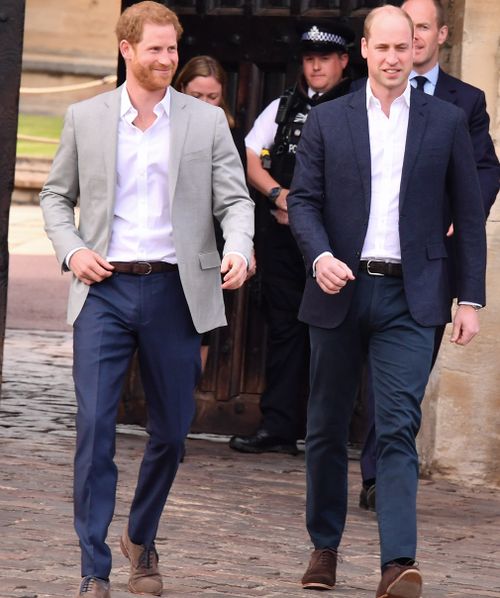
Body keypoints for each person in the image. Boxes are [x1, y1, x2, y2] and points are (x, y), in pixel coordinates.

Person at [40, 3, 254, 597]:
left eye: (172, 49)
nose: (166, 59)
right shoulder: (85, 117)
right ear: (126, 48)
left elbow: (235, 201)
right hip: (103, 289)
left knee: (173, 431)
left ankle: (142, 533)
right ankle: (94, 570)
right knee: (95, 427)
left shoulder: (204, 123)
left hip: (175, 290)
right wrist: (72, 250)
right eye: (155, 49)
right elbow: (56, 197)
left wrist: (239, 246)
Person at [287, 5, 486, 596]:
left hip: (412, 295)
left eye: (406, 47)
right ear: (365, 51)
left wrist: (470, 299)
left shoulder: (446, 121)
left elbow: (469, 217)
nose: (396, 58)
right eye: (385, 48)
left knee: (398, 425)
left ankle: (398, 562)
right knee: (324, 426)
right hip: (339, 290)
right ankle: (324, 547)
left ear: (422, 50)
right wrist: (320, 257)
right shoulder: (330, 118)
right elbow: (304, 201)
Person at [358, 0, 500, 514]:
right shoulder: (362, 97)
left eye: (419, 29)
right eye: (398, 33)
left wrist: (457, 215)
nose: (409, 40)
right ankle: (376, 474)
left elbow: (484, 170)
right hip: (366, 264)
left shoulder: (466, 101)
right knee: (371, 377)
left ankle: (388, 466)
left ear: (441, 34)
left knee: (403, 377)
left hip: (429, 262)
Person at [229, 20, 354, 456]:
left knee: (332, 336)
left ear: (343, 61)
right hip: (283, 241)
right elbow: (248, 154)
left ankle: (325, 435)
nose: (315, 66)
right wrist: (279, 195)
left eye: (324, 58)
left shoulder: (359, 105)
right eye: (308, 58)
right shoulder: (285, 105)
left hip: (334, 242)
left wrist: (308, 213)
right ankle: (279, 427)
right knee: (284, 331)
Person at [175, 54, 254, 371]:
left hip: (214, 244)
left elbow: (239, 196)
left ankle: (187, 399)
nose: (205, 104)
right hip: (168, 241)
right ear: (180, 89)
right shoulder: (159, 129)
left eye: (213, 97)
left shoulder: (232, 136)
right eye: (196, 96)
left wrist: (245, 247)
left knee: (200, 328)